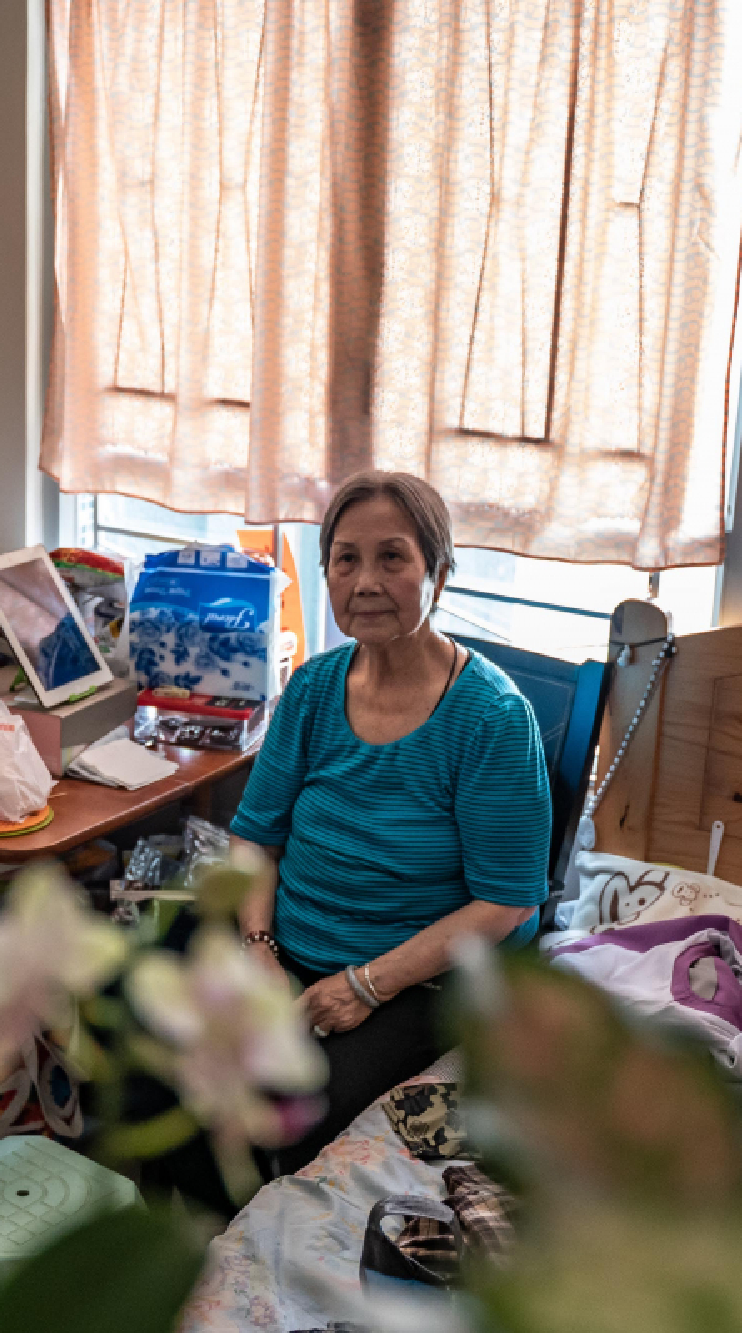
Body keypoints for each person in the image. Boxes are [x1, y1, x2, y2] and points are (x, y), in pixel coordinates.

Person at [226, 470, 552, 1177]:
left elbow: (510, 899)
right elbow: (255, 836)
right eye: (346, 558)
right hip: (284, 952)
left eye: (392, 557)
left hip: (410, 979)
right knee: (170, 1055)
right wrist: (257, 946)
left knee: (298, 1113)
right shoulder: (313, 687)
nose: (365, 581)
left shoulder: (494, 718)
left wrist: (365, 985)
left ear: (436, 573)